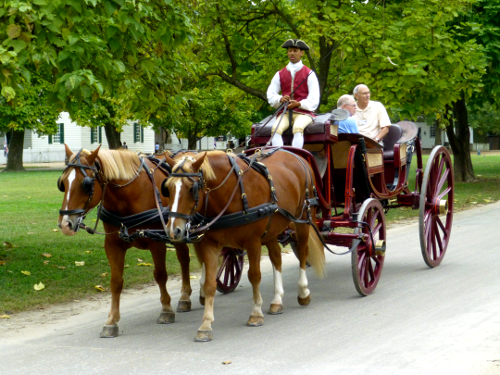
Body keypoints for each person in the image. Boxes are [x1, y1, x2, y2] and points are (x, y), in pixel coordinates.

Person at [267, 39, 320, 149]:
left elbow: (314, 98)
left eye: (295, 51)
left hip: (304, 113)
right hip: (285, 112)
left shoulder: (309, 74)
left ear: (301, 53)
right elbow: (271, 94)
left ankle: (296, 156)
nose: (292, 53)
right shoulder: (279, 74)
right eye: (290, 50)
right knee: (275, 129)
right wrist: (280, 99)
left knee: (298, 128)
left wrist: (299, 104)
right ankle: (279, 156)